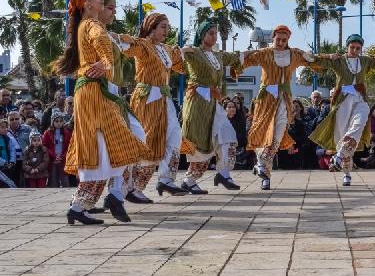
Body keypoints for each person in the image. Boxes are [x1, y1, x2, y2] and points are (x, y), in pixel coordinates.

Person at [50, 0, 149, 224]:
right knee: (112, 145)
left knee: (104, 149)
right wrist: (106, 62)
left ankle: (80, 206)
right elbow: (101, 43)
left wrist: (105, 62)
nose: (101, 0)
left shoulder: (85, 25)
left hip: (94, 92)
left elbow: (104, 44)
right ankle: (89, 203)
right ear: (87, 4)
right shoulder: (93, 25)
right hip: (94, 92)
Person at [309, 34, 375, 186]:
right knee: (343, 136)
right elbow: (318, 61)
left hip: (360, 99)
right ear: (347, 47)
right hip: (343, 101)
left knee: (360, 122)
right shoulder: (339, 60)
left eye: (358, 48)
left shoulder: (365, 60)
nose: (355, 50)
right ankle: (346, 173)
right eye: (352, 47)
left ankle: (340, 156)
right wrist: (328, 55)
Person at [119, 12, 186, 202]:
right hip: (147, 98)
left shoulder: (166, 49)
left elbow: (181, 67)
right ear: (152, 27)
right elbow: (127, 47)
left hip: (164, 98)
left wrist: (188, 52)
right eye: (163, 26)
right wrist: (115, 37)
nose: (167, 30)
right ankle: (132, 188)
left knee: (174, 136)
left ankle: (165, 179)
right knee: (148, 141)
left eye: (167, 26)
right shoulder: (144, 45)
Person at [239, 25, 314, 191]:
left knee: (277, 137)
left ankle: (262, 165)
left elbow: (312, 60)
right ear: (272, 38)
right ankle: (264, 172)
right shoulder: (265, 53)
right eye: (278, 39)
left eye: (284, 40)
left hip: (284, 100)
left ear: (288, 40)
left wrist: (305, 53)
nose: (280, 42)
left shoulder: (293, 54)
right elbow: (245, 59)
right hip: (265, 100)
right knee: (263, 134)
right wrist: (239, 59)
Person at [177, 21, 244, 194]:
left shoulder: (218, 56)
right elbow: (177, 54)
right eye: (210, 33)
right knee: (200, 142)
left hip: (214, 104)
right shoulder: (194, 52)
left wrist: (263, 52)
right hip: (197, 103)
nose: (214, 37)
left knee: (227, 136)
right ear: (201, 34)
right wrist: (182, 50)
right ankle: (189, 180)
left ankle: (223, 173)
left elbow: (237, 56)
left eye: (215, 33)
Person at [42, 114, 72, 188]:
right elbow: (44, 146)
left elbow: (70, 146)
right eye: (56, 121)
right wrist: (54, 156)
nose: (59, 123)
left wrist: (62, 156)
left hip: (63, 158)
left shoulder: (67, 133)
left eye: (61, 121)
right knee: (53, 179)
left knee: (64, 178)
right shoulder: (47, 133)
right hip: (52, 159)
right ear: (52, 122)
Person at [0, 119, 18, 188]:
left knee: (9, 184)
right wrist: (3, 163)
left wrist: (12, 162)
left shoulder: (7, 139)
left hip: (7, 167)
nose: (5, 129)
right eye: (2, 127)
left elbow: (12, 151)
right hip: (2, 166)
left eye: (6, 127)